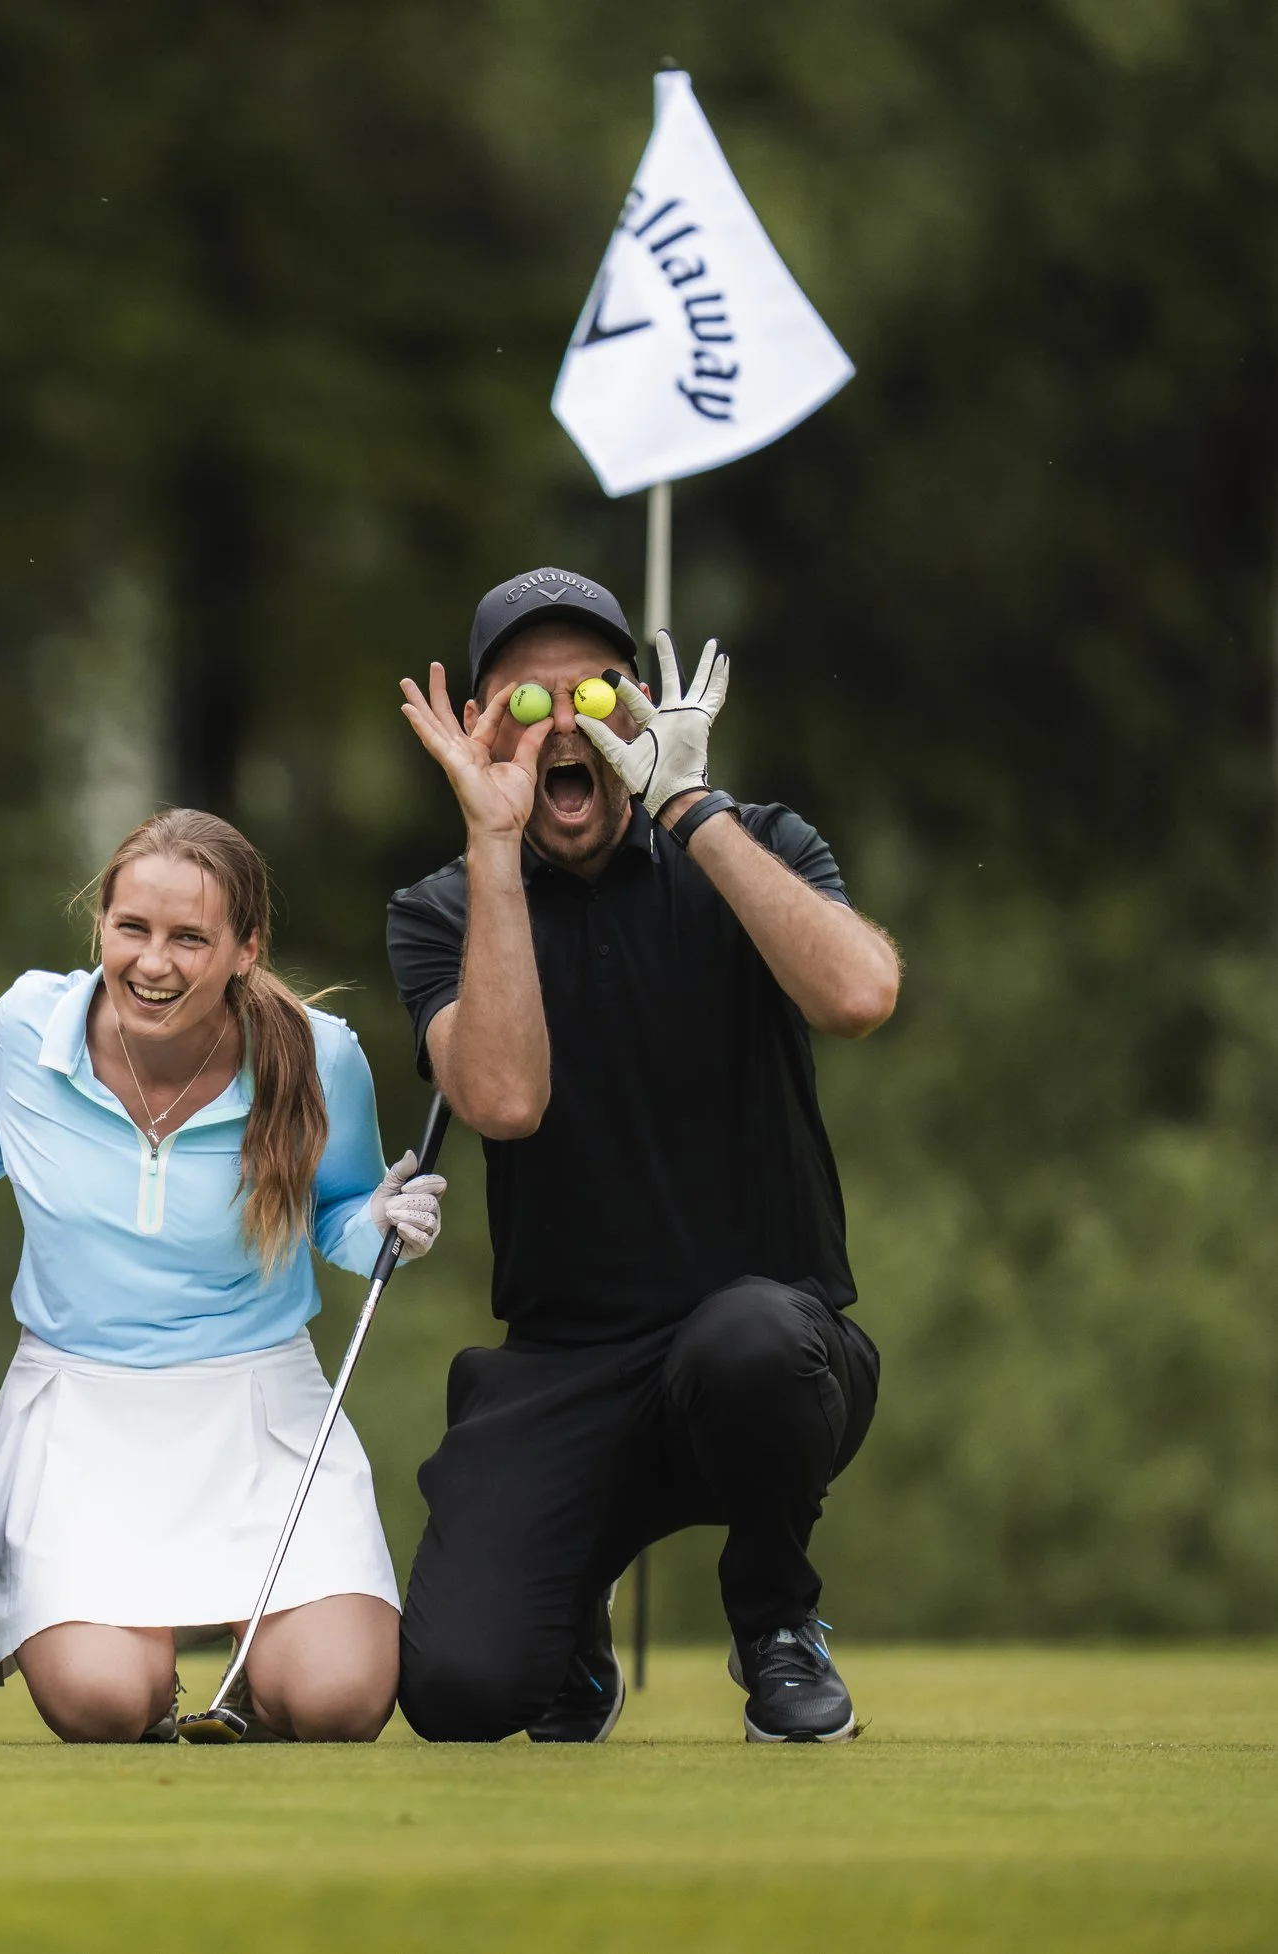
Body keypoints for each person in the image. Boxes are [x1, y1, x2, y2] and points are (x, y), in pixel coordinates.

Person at [386, 565, 901, 1746]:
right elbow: (505, 1100)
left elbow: (861, 992)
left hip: (770, 1350)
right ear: (478, 729)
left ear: (643, 705)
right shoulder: (440, 907)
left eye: (597, 694)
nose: (564, 728)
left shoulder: (752, 842)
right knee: (462, 1693)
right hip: (567, 1367)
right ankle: (572, 1618)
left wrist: (690, 808)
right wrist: (495, 847)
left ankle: (774, 1618)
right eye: (525, 705)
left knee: (749, 1342)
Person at [0, 809, 446, 1743]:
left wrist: (383, 1225)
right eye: (133, 929)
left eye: (189, 938)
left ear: (247, 949)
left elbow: (343, 1222)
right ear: (101, 926)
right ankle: (159, 1693)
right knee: (103, 1702)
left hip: (260, 1406)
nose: (152, 963)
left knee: (340, 1701)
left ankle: (262, 1680)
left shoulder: (321, 1058)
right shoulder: (29, 1024)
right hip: (80, 1410)